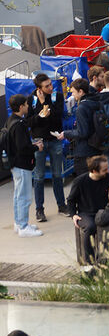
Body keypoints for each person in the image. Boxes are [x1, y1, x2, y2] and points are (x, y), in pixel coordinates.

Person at [24, 75, 68, 223]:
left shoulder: (57, 96)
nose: (50, 87)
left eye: (50, 84)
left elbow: (57, 117)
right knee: (39, 176)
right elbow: (29, 122)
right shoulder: (31, 100)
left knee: (57, 174)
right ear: (39, 89)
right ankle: (39, 209)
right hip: (39, 141)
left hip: (55, 140)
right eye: (47, 86)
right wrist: (41, 114)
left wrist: (45, 106)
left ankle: (61, 205)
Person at [6, 94, 44, 237]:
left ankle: (19, 223)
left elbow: (18, 144)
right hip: (22, 165)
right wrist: (36, 147)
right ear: (21, 106)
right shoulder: (20, 124)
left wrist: (31, 145)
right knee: (24, 196)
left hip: (15, 164)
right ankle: (23, 226)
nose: (28, 107)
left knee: (18, 195)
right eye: (27, 105)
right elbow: (22, 148)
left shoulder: (10, 121)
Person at [68, 155, 109, 264]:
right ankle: (89, 262)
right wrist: (73, 215)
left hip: (105, 212)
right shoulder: (80, 181)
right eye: (104, 170)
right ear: (94, 171)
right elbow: (71, 200)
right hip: (86, 213)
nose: (108, 171)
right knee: (90, 227)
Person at [58, 78, 101, 176]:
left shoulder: (82, 108)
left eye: (73, 92)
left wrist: (66, 133)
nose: (72, 95)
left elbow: (82, 132)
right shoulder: (96, 101)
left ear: (81, 91)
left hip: (84, 151)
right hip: (97, 147)